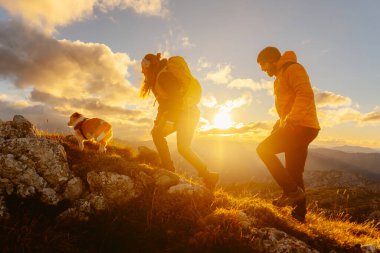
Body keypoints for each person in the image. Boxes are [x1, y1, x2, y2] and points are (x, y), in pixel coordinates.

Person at [256, 46, 320, 222]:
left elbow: (305, 94)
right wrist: (280, 123)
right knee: (294, 170)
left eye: (263, 64)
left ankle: (291, 192)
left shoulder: (293, 68)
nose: (262, 69)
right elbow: (287, 107)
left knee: (263, 149)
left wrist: (291, 120)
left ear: (271, 60)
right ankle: (299, 214)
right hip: (299, 125)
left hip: (302, 126)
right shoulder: (279, 78)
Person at [140, 53, 219, 190]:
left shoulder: (164, 76)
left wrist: (169, 121)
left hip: (186, 114)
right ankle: (204, 175)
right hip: (182, 113)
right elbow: (164, 104)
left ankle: (172, 170)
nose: (142, 72)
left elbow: (175, 99)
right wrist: (158, 121)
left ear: (150, 66)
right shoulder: (158, 78)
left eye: (144, 68)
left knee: (181, 147)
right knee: (159, 134)